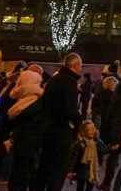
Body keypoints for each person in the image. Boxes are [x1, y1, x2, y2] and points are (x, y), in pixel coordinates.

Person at [35, 53, 84, 191]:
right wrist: (79, 121)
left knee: (44, 166)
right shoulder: (70, 82)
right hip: (62, 130)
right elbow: (70, 109)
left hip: (48, 128)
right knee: (58, 169)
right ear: (76, 66)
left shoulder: (53, 80)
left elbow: (44, 103)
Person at [4, 69, 45, 191]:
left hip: (23, 139)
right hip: (31, 140)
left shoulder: (18, 97)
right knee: (28, 170)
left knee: (21, 171)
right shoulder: (39, 98)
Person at [70, 120, 112, 191]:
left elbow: (102, 150)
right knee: (80, 187)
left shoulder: (96, 141)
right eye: (89, 130)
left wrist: (112, 148)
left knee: (90, 187)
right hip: (82, 170)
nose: (92, 131)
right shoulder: (79, 143)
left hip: (93, 169)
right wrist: (71, 170)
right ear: (83, 131)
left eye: (93, 129)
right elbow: (74, 157)